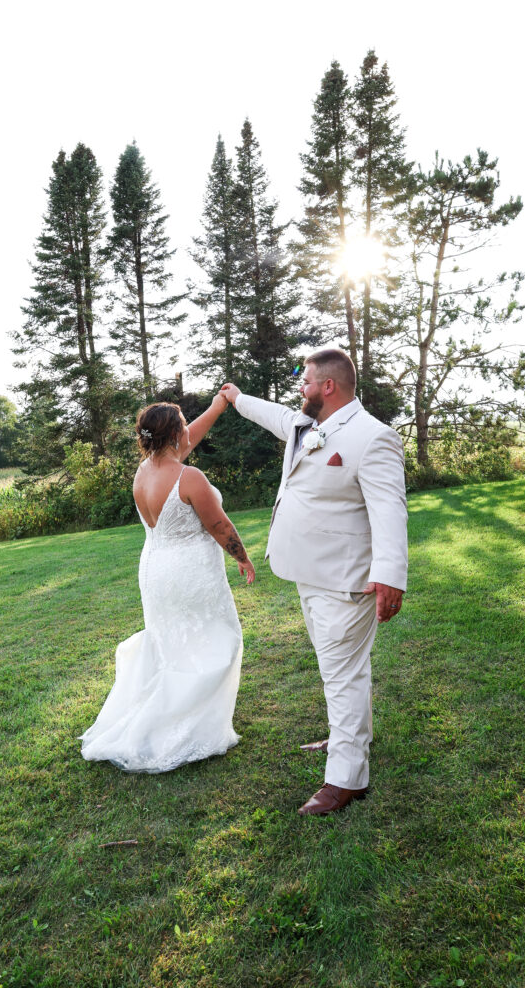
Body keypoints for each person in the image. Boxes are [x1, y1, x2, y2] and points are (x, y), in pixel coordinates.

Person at [221, 348, 408, 815]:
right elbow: (275, 416)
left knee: (342, 675)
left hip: (347, 580)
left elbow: (389, 510)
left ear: (328, 386)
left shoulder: (372, 437)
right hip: (308, 572)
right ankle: (348, 737)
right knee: (342, 671)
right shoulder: (306, 425)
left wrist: (389, 575)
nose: (299, 389)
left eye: (305, 381)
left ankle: (347, 780)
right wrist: (239, 398)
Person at [80, 396, 255, 773]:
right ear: (175, 434)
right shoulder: (189, 478)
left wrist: (218, 406)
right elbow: (219, 525)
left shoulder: (144, 472)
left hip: (155, 570)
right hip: (190, 571)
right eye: (183, 424)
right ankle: (187, 726)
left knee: (172, 643)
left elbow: (188, 440)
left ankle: (158, 716)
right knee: (218, 639)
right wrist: (241, 556)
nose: (188, 429)